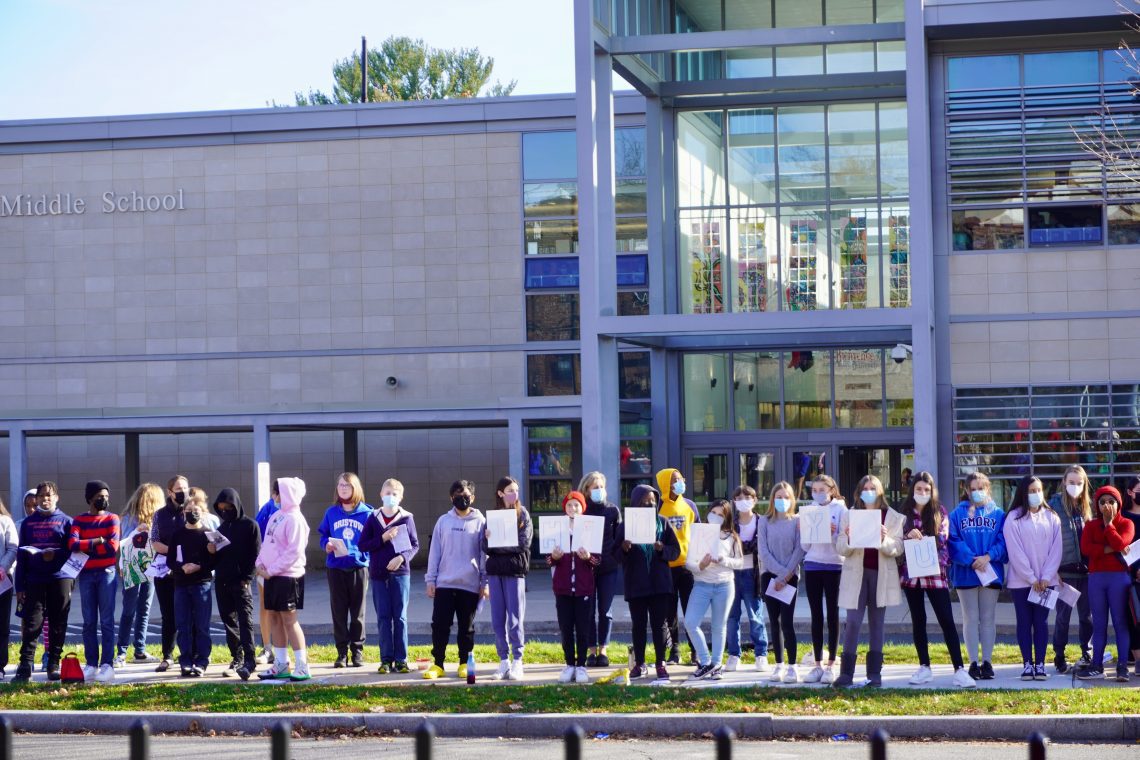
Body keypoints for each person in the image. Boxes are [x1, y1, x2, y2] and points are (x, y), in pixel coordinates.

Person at [898, 472, 974, 688]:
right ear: (912, 490)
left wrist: (920, 536)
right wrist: (906, 537)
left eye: (926, 490)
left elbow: (942, 540)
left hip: (935, 574)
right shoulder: (903, 514)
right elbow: (896, 542)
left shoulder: (939, 512)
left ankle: (959, 669)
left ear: (932, 492)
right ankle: (924, 666)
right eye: (919, 489)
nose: (922, 493)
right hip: (911, 576)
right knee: (918, 620)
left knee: (946, 620)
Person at [832, 474, 905, 688]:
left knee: (877, 623)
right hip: (856, 574)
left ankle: (874, 674)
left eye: (873, 487)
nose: (869, 491)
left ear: (881, 491)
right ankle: (846, 673)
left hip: (880, 576)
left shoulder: (893, 517)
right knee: (853, 621)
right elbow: (841, 548)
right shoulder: (850, 515)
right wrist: (851, 537)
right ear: (859, 492)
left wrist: (884, 539)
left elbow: (898, 549)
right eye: (865, 487)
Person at [422, 480, 489, 680]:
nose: (462, 498)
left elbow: (484, 554)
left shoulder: (481, 521)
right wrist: (430, 579)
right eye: (458, 495)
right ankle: (438, 664)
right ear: (452, 498)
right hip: (444, 583)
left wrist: (484, 583)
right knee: (440, 625)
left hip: (469, 584)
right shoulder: (443, 521)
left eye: (466, 494)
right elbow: (435, 552)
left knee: (466, 628)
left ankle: (463, 662)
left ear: (473, 498)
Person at [947, 471, 1007, 681]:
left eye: (981, 488)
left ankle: (988, 662)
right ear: (966, 490)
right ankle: (973, 662)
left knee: (988, 618)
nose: (977, 492)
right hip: (966, 572)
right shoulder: (956, 514)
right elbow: (952, 541)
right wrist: (972, 559)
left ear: (988, 488)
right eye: (973, 489)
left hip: (990, 571)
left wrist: (989, 556)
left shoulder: (998, 514)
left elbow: (1003, 541)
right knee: (970, 618)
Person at [12, 481, 74, 682]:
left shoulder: (66, 521)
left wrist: (54, 555)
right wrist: (20, 586)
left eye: (49, 495)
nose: (45, 499)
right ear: (36, 499)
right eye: (41, 496)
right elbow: (21, 556)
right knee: (32, 623)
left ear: (56, 498)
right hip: (35, 579)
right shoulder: (29, 523)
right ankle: (25, 664)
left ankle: (53, 663)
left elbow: (73, 551)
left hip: (60, 579)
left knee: (58, 622)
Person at [1003, 475, 1062, 681]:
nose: (1036, 494)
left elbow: (1057, 550)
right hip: (1021, 582)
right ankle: (1027, 664)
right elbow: (1015, 551)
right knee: (1024, 622)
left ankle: (1040, 664)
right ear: (1023, 493)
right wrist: (1031, 578)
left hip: (1047, 582)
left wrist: (1045, 577)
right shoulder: (1014, 518)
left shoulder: (1052, 517)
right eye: (1031, 491)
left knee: (1042, 622)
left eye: (1038, 490)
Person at [619, 483, 680, 682]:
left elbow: (675, 551)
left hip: (659, 584)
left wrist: (662, 548)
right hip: (636, 583)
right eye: (644, 502)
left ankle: (661, 663)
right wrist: (625, 548)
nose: (648, 505)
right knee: (638, 624)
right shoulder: (626, 525)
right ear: (635, 503)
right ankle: (640, 663)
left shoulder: (663, 522)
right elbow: (615, 555)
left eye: (652, 502)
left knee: (659, 625)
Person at [359, 478, 419, 674]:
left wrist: (402, 558)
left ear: (400, 497)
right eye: (387, 493)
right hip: (378, 574)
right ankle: (386, 659)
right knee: (383, 617)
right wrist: (382, 538)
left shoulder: (406, 518)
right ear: (380, 494)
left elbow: (414, 545)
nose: (390, 497)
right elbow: (363, 545)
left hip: (401, 575)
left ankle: (401, 659)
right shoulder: (373, 517)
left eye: (394, 494)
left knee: (400, 617)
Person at [1076, 485, 1136, 682]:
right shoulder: (1091, 525)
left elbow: (1122, 543)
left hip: (1119, 578)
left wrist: (1110, 525)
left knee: (1120, 622)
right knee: (1099, 623)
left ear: (1119, 503)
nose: (1107, 505)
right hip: (1096, 578)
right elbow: (1086, 549)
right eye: (1102, 502)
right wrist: (1111, 548)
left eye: (1111, 501)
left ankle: (1122, 667)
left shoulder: (1127, 523)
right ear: (1097, 505)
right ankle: (1097, 665)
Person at [255, 477, 312, 682]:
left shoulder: (295, 519)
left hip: (287, 577)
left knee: (289, 620)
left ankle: (302, 665)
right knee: (274, 618)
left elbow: (293, 552)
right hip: (270, 575)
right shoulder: (277, 515)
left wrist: (272, 569)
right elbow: (267, 543)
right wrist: (260, 563)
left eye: (276, 493)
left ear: (286, 494)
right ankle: (281, 663)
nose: (274, 496)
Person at [684, 498, 744, 680]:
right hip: (701, 585)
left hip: (724, 585)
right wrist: (700, 565)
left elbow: (740, 563)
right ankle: (705, 661)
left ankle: (716, 665)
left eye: (721, 514)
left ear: (726, 517)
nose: (716, 516)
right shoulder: (698, 532)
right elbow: (688, 562)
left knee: (719, 626)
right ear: (708, 512)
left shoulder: (732, 536)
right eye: (714, 512)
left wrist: (723, 560)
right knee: (690, 622)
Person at [319, 472, 372, 668]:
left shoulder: (367, 513)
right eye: (340, 485)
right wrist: (326, 545)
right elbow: (323, 535)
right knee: (338, 612)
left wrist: (359, 552)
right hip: (336, 568)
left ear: (355, 488)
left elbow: (372, 541)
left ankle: (357, 651)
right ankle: (341, 653)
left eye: (347, 485)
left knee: (358, 612)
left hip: (358, 567)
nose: (343, 488)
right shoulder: (331, 513)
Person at [69, 480, 121, 682]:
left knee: (107, 621)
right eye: (100, 496)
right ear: (90, 498)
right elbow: (72, 544)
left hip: (107, 572)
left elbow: (112, 547)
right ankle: (91, 663)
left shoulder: (112, 519)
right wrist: (98, 541)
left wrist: (87, 545)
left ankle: (107, 664)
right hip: (87, 575)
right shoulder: (79, 520)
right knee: (89, 621)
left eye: (107, 497)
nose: (104, 500)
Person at [482, 476, 532, 680]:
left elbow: (523, 544)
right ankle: (503, 660)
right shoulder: (493, 516)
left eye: (516, 490)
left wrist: (497, 547)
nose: (514, 493)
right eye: (510, 490)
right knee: (498, 618)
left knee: (515, 617)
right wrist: (488, 538)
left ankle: (518, 659)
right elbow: (485, 546)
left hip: (514, 571)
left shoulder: (523, 514)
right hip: (495, 572)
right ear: (500, 493)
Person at [549, 491, 601, 684]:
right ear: (565, 508)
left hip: (583, 588)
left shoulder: (590, 529)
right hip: (562, 588)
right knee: (565, 627)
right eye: (569, 505)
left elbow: (597, 561)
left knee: (583, 628)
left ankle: (581, 665)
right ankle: (569, 663)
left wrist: (588, 557)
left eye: (576, 505)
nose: (573, 509)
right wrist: (554, 556)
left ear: (582, 507)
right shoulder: (557, 529)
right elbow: (549, 559)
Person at [756, 482, 805, 683]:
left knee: (787, 622)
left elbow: (800, 550)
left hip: (790, 577)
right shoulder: (765, 521)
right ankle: (778, 665)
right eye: (778, 497)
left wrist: (785, 576)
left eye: (786, 497)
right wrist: (778, 575)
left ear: (792, 499)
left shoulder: (797, 521)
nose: (782, 500)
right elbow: (763, 551)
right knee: (774, 623)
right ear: (772, 499)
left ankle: (792, 666)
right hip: (769, 576)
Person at [1048, 464, 1094, 673]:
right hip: (1064, 573)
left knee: (1087, 615)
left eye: (1079, 483)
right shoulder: (1054, 506)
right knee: (1063, 616)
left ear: (1084, 485)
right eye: (1072, 482)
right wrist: (1052, 571)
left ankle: (1087, 650)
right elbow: (1047, 540)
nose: (1075, 486)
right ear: (1064, 482)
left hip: (1085, 572)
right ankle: (1059, 654)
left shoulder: (1087, 506)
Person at [211, 488, 261, 680]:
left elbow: (255, 554)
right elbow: (214, 559)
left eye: (228, 507)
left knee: (245, 621)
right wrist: (211, 550)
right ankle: (236, 657)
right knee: (228, 620)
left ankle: (250, 659)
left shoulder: (250, 525)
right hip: (222, 581)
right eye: (221, 508)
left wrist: (247, 578)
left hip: (241, 582)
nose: (225, 511)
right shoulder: (221, 530)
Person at [801, 475, 847, 684]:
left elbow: (844, 544)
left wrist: (834, 533)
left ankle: (830, 665)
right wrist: (808, 533)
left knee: (833, 615)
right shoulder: (809, 510)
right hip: (812, 566)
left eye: (822, 489)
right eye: (814, 490)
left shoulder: (841, 510)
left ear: (831, 489)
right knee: (816, 615)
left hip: (835, 566)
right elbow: (805, 548)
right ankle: (817, 664)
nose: (818, 493)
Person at [655, 467, 700, 665]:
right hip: (665, 567)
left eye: (681, 478)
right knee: (669, 612)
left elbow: (699, 531)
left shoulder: (689, 505)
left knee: (691, 611)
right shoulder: (657, 507)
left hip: (687, 567)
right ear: (665, 483)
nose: (680, 482)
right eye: (675, 479)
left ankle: (695, 651)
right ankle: (674, 651)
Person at [115, 483, 163, 667]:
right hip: (133, 568)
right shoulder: (128, 519)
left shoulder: (156, 520)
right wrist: (138, 531)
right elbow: (124, 543)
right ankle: (122, 651)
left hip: (150, 567)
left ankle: (140, 649)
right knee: (129, 609)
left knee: (144, 609)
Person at [169, 495, 217, 677]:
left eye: (196, 511)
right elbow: (170, 560)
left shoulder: (208, 535)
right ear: (183, 512)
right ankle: (186, 660)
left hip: (201, 584)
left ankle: (202, 660)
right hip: (181, 585)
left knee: (202, 625)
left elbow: (214, 562)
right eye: (189, 511)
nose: (192, 514)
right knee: (183, 624)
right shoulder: (177, 534)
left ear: (202, 513)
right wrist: (182, 567)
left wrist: (199, 566)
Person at [578, 471, 622, 668]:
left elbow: (619, 538)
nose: (599, 491)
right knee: (587, 611)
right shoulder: (582, 511)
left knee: (605, 610)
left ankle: (603, 649)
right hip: (586, 567)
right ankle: (591, 650)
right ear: (587, 490)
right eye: (595, 487)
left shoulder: (613, 511)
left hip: (608, 567)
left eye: (602, 487)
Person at [725, 485, 769, 675]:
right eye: (739, 497)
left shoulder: (762, 522)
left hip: (753, 574)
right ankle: (734, 654)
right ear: (734, 501)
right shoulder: (729, 524)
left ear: (755, 499)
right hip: (732, 574)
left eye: (747, 496)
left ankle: (761, 653)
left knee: (755, 616)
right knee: (732, 616)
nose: (743, 500)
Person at [150, 474, 190, 672]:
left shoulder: (192, 510)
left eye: (185, 488)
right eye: (179, 489)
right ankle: (167, 655)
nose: (183, 492)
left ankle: (189, 655)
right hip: (164, 571)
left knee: (187, 614)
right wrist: (173, 550)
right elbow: (155, 541)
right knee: (168, 615)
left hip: (186, 571)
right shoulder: (159, 515)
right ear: (170, 492)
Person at [253, 480, 280, 664]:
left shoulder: (293, 512)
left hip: (286, 570)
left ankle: (283, 649)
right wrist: (259, 564)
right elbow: (256, 535)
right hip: (265, 568)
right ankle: (267, 647)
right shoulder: (268, 509)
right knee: (265, 605)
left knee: (284, 610)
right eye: (277, 493)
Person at [1122, 476, 1140, 676]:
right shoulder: (1124, 518)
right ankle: (1136, 659)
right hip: (1130, 576)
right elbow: (1123, 549)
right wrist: (1135, 570)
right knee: (1134, 618)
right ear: (1129, 492)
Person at [0, 497, 17, 681]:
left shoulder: (5, 521)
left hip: (2, 580)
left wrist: (2, 568)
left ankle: (0, 665)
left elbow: (12, 548)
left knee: (2, 624)